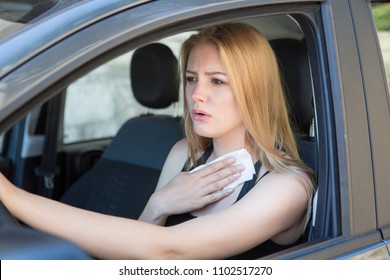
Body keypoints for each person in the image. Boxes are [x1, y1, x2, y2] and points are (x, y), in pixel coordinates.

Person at [0, 22, 315, 260]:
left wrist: (13, 196)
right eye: (191, 78)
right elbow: (141, 259)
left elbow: (168, 253)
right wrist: (159, 204)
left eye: (217, 81)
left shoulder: (287, 186)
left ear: (255, 90)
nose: (196, 94)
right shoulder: (183, 154)